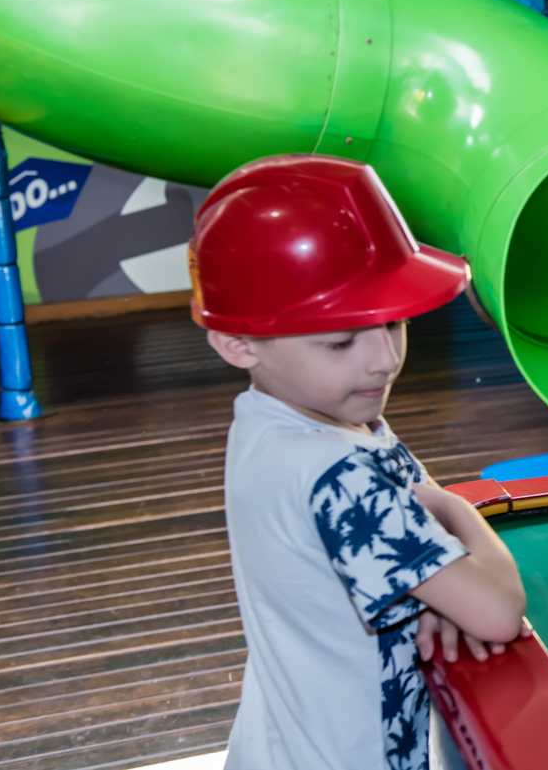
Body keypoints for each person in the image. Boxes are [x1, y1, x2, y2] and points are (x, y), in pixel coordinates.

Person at [190, 155, 526, 770]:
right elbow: (498, 611)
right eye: (340, 340)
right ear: (237, 343)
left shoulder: (287, 418)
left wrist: (435, 587)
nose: (381, 360)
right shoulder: (335, 472)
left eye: (392, 323)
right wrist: (456, 511)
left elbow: (414, 523)